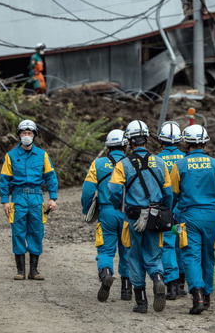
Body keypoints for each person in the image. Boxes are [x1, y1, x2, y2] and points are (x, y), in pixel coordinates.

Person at [169, 124, 215, 315]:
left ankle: (197, 294)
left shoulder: (179, 165)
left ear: (186, 143)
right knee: (208, 256)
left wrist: (169, 214)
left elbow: (172, 195)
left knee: (190, 256)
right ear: (205, 142)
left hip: (188, 217)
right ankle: (207, 295)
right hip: (211, 218)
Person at [108, 120, 173, 314]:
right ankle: (159, 279)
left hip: (133, 217)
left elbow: (113, 190)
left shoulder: (123, 165)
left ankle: (141, 302)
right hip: (154, 216)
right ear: (146, 138)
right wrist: (164, 210)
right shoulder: (160, 163)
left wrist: (120, 206)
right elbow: (168, 193)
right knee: (154, 255)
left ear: (128, 141)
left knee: (134, 257)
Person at [0, 120, 58, 281]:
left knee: (36, 231)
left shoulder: (42, 155)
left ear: (34, 136)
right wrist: (5, 201)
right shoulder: (10, 156)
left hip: (36, 196)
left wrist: (52, 198)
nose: (26, 136)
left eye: (29, 133)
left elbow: (51, 177)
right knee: (18, 232)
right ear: (19, 135)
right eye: (23, 133)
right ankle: (20, 270)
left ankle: (33, 270)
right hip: (18, 197)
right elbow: (4, 179)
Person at [81, 129, 132, 302]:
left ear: (108, 146)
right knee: (127, 250)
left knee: (105, 249)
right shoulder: (131, 162)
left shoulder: (98, 163)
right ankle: (127, 290)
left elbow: (87, 191)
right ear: (125, 145)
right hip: (128, 213)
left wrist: (87, 209)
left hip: (107, 212)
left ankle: (106, 274)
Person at [156, 121, 186, 301]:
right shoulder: (185, 159)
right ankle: (182, 284)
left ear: (161, 139)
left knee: (167, 245)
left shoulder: (156, 160)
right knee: (182, 244)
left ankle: (171, 285)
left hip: (165, 212)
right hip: (182, 211)